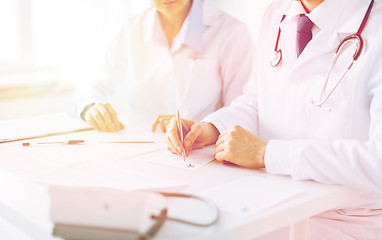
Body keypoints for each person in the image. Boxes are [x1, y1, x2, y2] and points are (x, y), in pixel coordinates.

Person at [165, 0, 382, 239]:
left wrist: (267, 153)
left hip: (348, 220)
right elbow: (256, 100)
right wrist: (212, 127)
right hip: (276, 206)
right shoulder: (277, 12)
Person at [71, 0, 254, 132]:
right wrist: (91, 106)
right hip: (139, 152)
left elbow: (243, 112)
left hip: (199, 155)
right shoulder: (132, 29)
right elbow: (90, 86)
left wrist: (205, 128)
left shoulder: (231, 32)